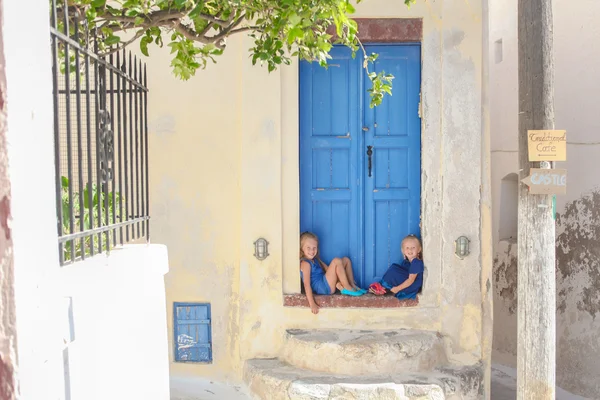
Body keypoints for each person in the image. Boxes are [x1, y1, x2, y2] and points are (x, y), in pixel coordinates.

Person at [300, 232, 365, 314]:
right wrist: (312, 304)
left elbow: (327, 269)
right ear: (302, 248)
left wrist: (337, 282)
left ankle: (352, 285)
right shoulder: (305, 264)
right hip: (322, 287)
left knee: (346, 260)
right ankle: (347, 288)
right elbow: (306, 284)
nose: (312, 251)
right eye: (308, 248)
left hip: (325, 282)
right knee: (336, 261)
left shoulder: (315, 259)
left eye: (314, 248)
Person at [369, 234, 424, 300]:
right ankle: (383, 286)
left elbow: (410, 280)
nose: (410, 250)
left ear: (419, 249)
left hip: (411, 286)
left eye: (413, 248)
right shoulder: (407, 262)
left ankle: (385, 288)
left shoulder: (416, 262)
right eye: (407, 248)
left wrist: (396, 289)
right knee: (394, 267)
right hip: (408, 283)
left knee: (394, 271)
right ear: (403, 250)